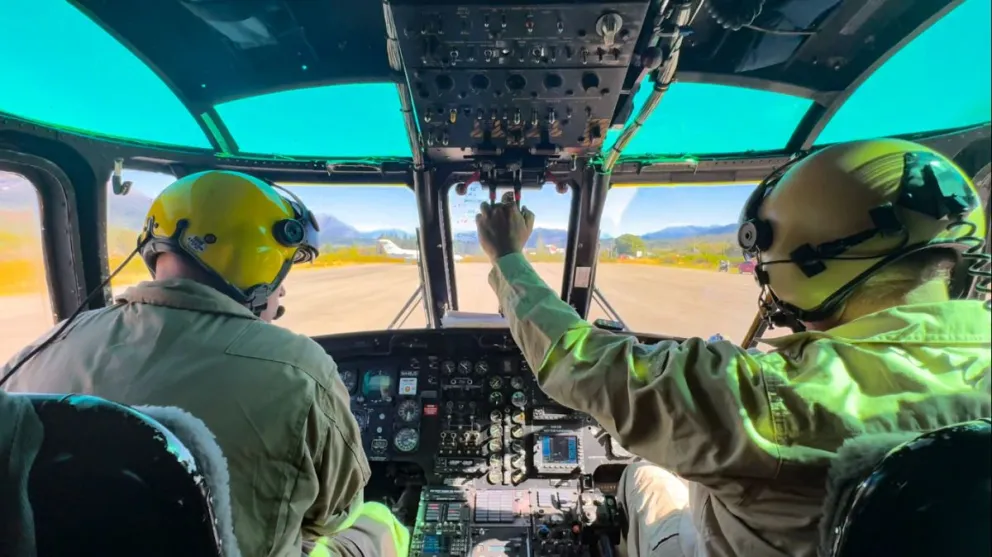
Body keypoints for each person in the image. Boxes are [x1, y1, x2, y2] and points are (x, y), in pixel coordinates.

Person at [475, 138, 991, 557]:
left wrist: (507, 256)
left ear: (806, 259)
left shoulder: (767, 393)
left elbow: (578, 360)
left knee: (644, 474)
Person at [1, 171, 407, 557]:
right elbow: (335, 512)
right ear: (257, 260)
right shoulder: (300, 370)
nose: (281, 290)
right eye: (282, 271)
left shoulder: (41, 348)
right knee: (376, 521)